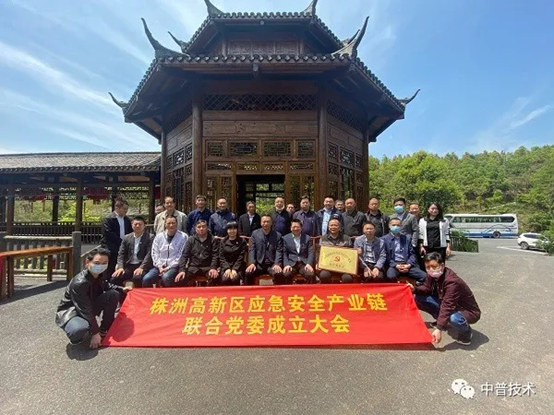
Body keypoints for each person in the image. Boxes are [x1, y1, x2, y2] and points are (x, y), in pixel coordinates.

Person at [55, 248, 129, 348]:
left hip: (89, 305)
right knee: (78, 330)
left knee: (113, 294)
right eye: (97, 263)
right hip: (73, 311)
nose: (101, 266)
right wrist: (95, 333)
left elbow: (106, 285)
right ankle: (79, 333)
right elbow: (85, 309)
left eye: (104, 263)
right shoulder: (79, 283)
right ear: (87, 262)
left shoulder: (99, 275)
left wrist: (122, 289)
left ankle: (105, 328)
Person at [409, 252, 481, 345]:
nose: (430, 269)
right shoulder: (432, 275)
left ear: (442, 265)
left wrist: (439, 328)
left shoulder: (452, 281)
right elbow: (427, 288)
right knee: (418, 298)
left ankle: (466, 333)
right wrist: (414, 289)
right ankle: (443, 321)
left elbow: (448, 305)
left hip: (468, 311)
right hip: (448, 303)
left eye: (434, 266)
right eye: (428, 267)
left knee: (454, 318)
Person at [142, 216, 187, 287]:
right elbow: (154, 253)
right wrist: (160, 266)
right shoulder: (159, 236)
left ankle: (168, 294)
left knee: (166, 277)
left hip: (174, 266)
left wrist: (167, 268)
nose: (171, 225)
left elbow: (181, 255)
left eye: (173, 223)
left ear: (177, 224)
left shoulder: (183, 236)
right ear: (165, 224)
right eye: (169, 223)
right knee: (147, 278)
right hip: (159, 266)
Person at [111, 215, 153, 288]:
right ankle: (120, 294)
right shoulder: (127, 237)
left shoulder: (150, 237)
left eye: (140, 224)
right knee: (115, 278)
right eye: (135, 224)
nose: (137, 226)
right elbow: (121, 254)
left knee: (137, 278)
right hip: (129, 265)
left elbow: (149, 254)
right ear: (132, 225)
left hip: (142, 265)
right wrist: (120, 267)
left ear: (144, 226)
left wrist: (142, 267)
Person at [381, 217, 427, 283]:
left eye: (398, 225)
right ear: (389, 226)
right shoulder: (384, 239)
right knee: (390, 276)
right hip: (394, 266)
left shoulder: (406, 238)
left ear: (401, 226)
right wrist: (396, 265)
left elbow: (412, 254)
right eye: (393, 225)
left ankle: (415, 288)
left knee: (424, 276)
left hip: (407, 264)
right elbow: (385, 256)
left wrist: (409, 264)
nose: (396, 227)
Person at [175, 220, 219, 286]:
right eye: (199, 227)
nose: (201, 229)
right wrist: (182, 270)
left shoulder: (212, 240)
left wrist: (213, 268)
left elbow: (215, 255)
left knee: (214, 277)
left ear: (207, 228)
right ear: (196, 229)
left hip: (208, 267)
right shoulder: (190, 240)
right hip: (193, 267)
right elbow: (184, 256)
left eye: (203, 226)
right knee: (181, 278)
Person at [246, 215, 284, 285]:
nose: (266, 224)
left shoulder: (278, 235)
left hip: (272, 264)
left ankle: (277, 291)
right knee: (249, 273)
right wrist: (252, 263)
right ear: (261, 223)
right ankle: (251, 291)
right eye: (264, 222)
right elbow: (252, 249)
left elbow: (279, 251)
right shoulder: (255, 234)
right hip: (258, 264)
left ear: (271, 223)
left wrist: (277, 264)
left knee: (279, 274)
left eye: (268, 222)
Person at [100, 197, 132, 278]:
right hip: (110, 248)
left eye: (127, 209)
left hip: (123, 247)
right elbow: (108, 233)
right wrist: (121, 242)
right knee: (109, 268)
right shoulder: (108, 219)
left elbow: (130, 232)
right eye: (124, 209)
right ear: (117, 208)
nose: (126, 211)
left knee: (122, 267)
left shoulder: (127, 219)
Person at [318, 217, 354, 283]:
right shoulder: (323, 238)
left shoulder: (346, 238)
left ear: (339, 227)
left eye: (335, 225)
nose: (333, 227)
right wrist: (317, 263)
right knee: (323, 276)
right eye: (331, 225)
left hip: (343, 267)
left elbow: (351, 254)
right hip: (328, 266)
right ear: (328, 227)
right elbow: (319, 253)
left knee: (347, 278)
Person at [282, 219, 315, 284]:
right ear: (290, 228)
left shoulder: (307, 238)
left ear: (301, 228)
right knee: (286, 274)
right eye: (293, 227)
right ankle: (290, 290)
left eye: (297, 227)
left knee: (310, 274)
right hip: (291, 263)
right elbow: (284, 253)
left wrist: (309, 264)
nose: (295, 229)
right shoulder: (285, 238)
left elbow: (311, 252)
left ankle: (306, 290)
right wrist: (286, 264)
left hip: (303, 263)